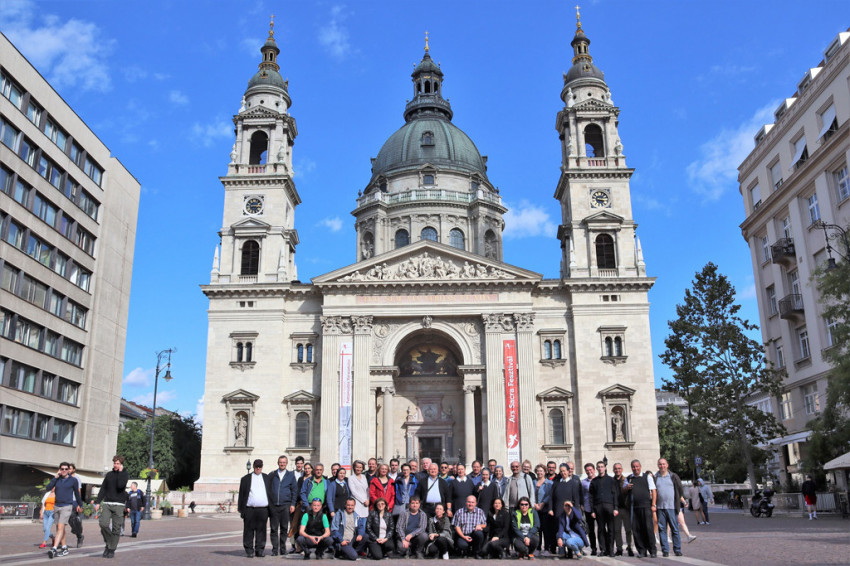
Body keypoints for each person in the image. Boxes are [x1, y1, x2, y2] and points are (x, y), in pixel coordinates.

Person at [93, 456, 128, 559]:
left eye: (118, 464)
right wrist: (98, 502)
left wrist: (120, 472)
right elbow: (103, 488)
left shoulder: (125, 474)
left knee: (116, 529)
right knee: (103, 524)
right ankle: (109, 543)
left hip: (119, 505)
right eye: (115, 463)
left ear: (121, 464)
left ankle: (111, 549)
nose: (116, 465)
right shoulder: (109, 475)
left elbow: (120, 486)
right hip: (107, 503)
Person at [45, 462, 83, 558]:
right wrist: (55, 477)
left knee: (60, 527)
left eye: (66, 469)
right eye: (62, 469)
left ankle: (54, 548)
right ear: (59, 470)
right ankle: (64, 548)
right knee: (60, 528)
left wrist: (80, 505)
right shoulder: (57, 479)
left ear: (69, 470)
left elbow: (77, 493)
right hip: (57, 506)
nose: (64, 470)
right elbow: (48, 488)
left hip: (67, 506)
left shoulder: (73, 480)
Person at [238, 458, 273, 558]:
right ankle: (249, 550)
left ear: (262, 467)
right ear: (253, 467)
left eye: (260, 466)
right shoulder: (245, 479)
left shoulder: (267, 478)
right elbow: (241, 494)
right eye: (256, 466)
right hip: (250, 509)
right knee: (248, 530)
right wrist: (241, 508)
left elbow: (270, 493)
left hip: (263, 509)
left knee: (261, 530)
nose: (258, 468)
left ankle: (260, 550)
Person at [625, 459, 657, 558]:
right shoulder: (629, 478)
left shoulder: (647, 477)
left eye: (637, 466)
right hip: (634, 507)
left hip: (646, 506)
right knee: (636, 530)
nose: (635, 468)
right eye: (633, 467)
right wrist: (626, 488)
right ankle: (642, 550)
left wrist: (653, 504)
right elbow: (623, 490)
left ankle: (652, 550)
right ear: (631, 468)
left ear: (640, 467)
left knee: (648, 528)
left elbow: (654, 491)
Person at [654, 458, 684, 558]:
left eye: (663, 464)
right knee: (662, 529)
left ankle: (677, 549)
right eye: (660, 464)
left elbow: (680, 489)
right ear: (658, 465)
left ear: (667, 465)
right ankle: (665, 550)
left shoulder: (673, 476)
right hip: (660, 508)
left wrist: (678, 502)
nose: (662, 466)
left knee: (674, 529)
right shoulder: (655, 477)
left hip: (672, 507)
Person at [270, 455, 298, 555]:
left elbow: (294, 491)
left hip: (285, 505)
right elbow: (268, 489)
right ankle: (274, 549)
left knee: (284, 528)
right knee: (273, 529)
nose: (282, 464)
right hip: (274, 506)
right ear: (278, 463)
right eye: (280, 462)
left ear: (286, 463)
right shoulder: (272, 475)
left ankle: (282, 549)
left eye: (284, 462)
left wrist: (293, 504)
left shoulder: (290, 475)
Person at [611, 462, 635, 556]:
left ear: (622, 469)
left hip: (626, 508)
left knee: (628, 530)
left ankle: (630, 547)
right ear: (613, 470)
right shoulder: (611, 481)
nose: (617, 470)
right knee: (617, 530)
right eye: (616, 469)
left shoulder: (626, 480)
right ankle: (619, 548)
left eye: (619, 468)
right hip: (616, 508)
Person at [533, 464, 553, 554]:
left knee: (546, 529)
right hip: (535, 508)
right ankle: (538, 547)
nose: (539, 472)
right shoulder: (533, 482)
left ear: (544, 472)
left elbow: (549, 495)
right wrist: (534, 504)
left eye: (541, 471)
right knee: (537, 529)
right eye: (538, 471)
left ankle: (547, 548)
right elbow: (530, 493)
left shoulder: (549, 483)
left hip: (545, 509)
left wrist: (542, 503)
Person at [580, 462, 598, 556]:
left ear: (594, 470)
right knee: (591, 530)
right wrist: (582, 505)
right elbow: (581, 495)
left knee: (601, 529)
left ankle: (604, 548)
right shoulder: (583, 482)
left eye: (590, 469)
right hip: (588, 508)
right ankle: (593, 548)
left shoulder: (599, 480)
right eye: (587, 470)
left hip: (598, 508)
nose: (589, 471)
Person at [68, 464, 84, 548]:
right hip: (66, 501)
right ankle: (60, 541)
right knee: (66, 520)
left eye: (70, 468)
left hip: (74, 501)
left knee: (73, 519)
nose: (68, 470)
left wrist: (79, 504)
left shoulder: (76, 478)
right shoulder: (65, 478)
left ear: (74, 469)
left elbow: (78, 491)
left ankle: (79, 536)